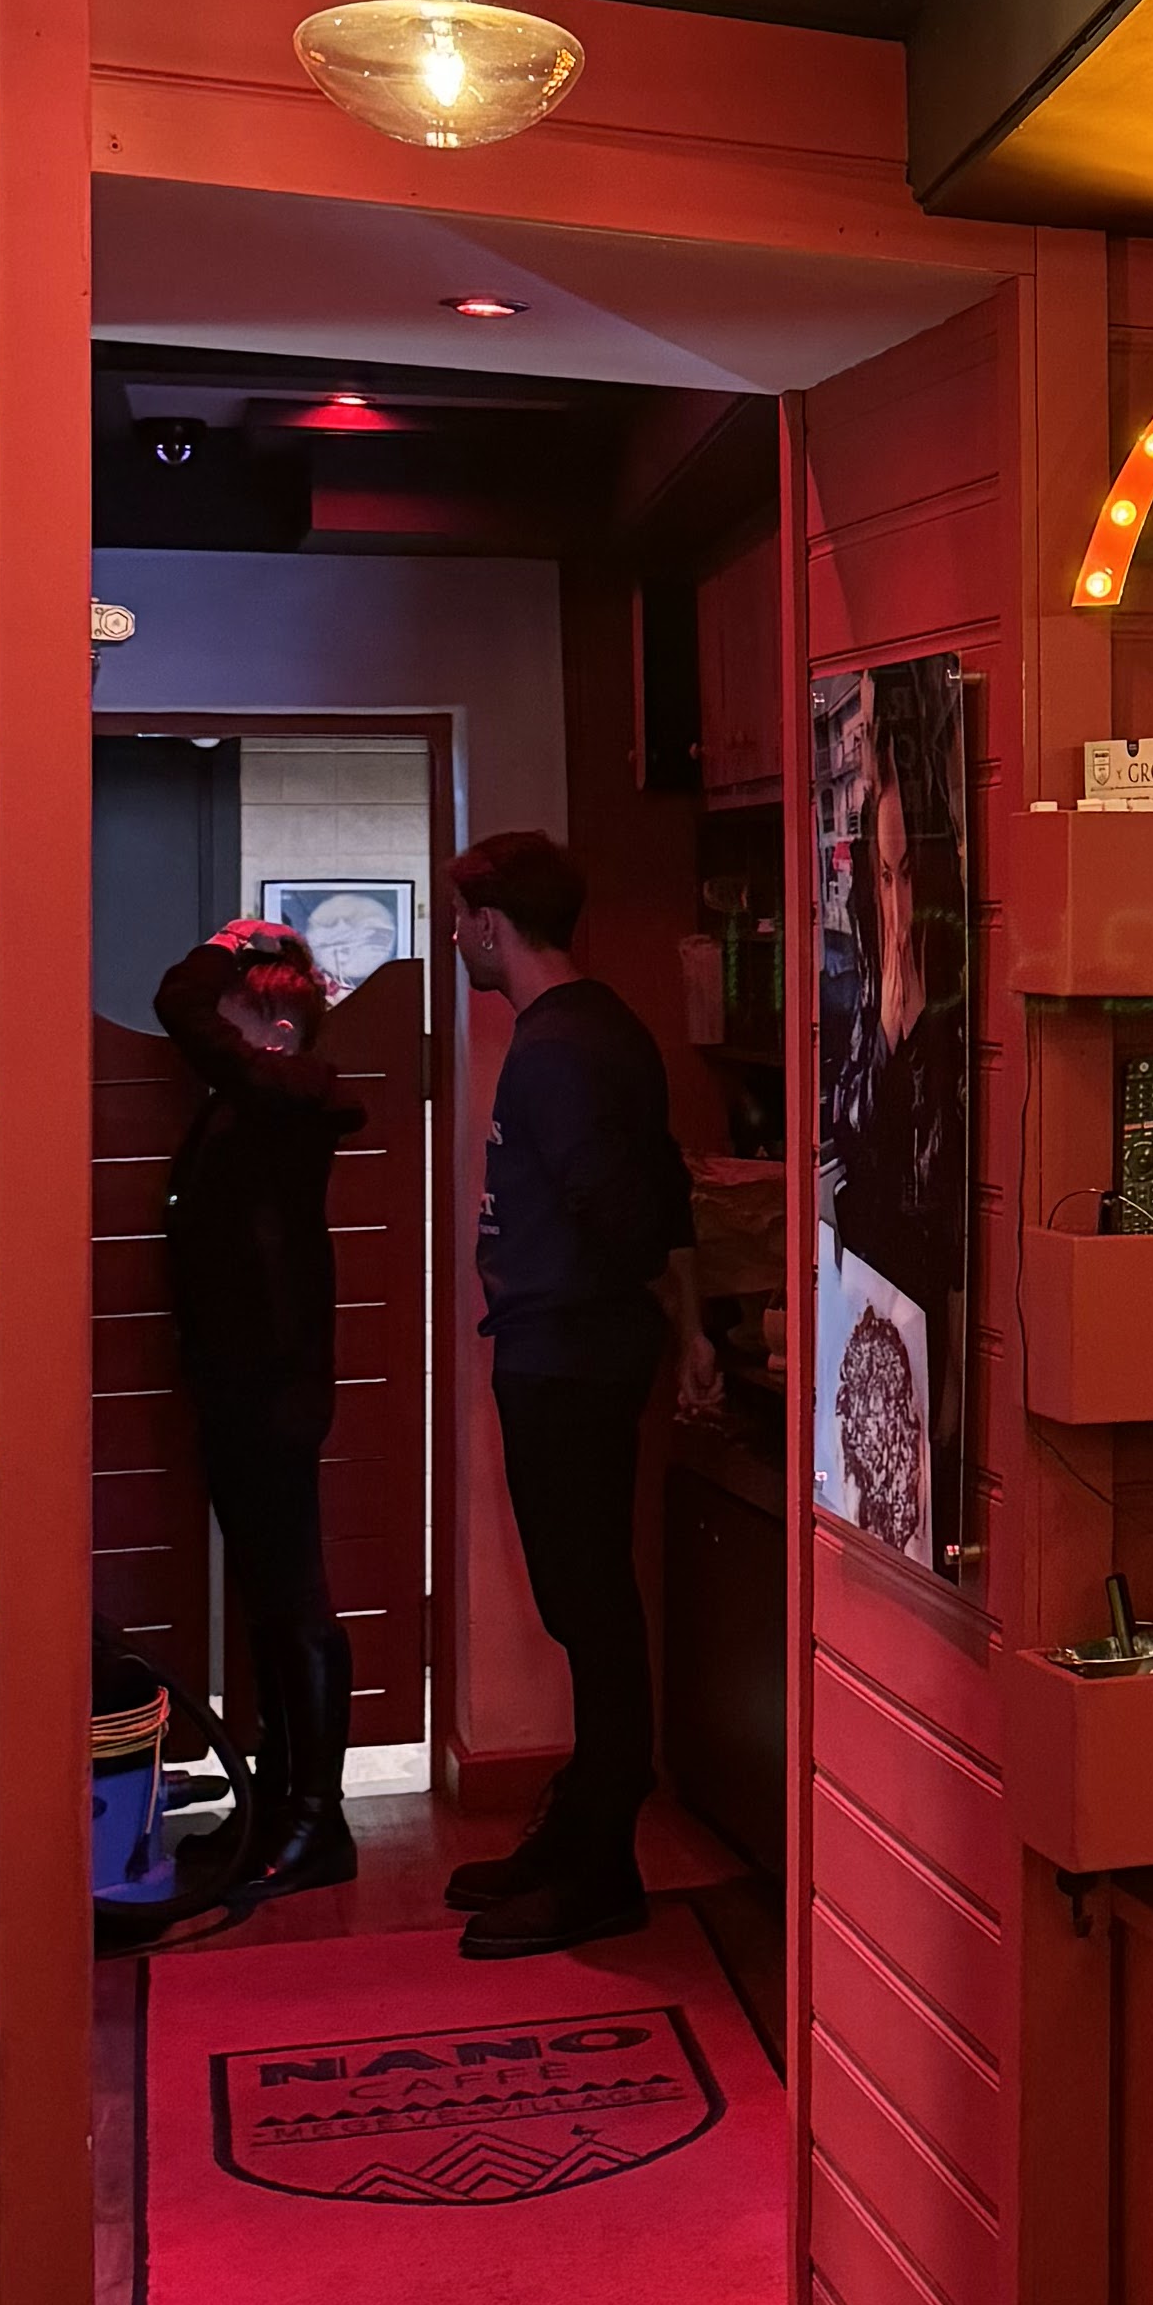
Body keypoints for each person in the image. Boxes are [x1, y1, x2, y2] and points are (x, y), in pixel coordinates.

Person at [443, 827, 712, 1956]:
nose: (457, 938)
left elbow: (630, 1213)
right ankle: (578, 1833)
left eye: (462, 921)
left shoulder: (557, 1050)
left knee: (588, 1607)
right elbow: (669, 1186)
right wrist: (689, 1329)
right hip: (578, 1353)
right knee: (585, 1603)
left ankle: (600, 1863)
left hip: (567, 1361)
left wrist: (668, 1316)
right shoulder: (604, 1025)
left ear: (492, 926)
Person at [152, 923, 362, 1916]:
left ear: (272, 1032)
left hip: (273, 1385)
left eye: (235, 1017)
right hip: (243, 1380)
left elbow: (180, 1007)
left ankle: (319, 1821)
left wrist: (228, 944)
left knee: (295, 1594)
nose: (216, 1035)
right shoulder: (255, 1098)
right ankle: (280, 1802)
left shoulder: (289, 1092)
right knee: (271, 1597)